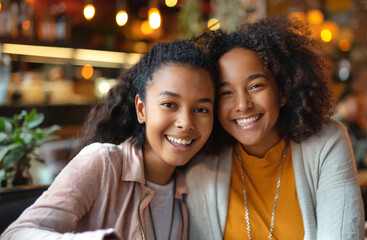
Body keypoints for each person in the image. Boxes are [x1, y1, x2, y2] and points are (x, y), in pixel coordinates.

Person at [1, 40, 217, 240]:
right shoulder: (103, 163)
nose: (186, 123)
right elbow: (15, 234)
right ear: (142, 109)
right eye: (169, 104)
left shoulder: (192, 186)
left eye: (201, 109)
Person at [185, 18, 364, 240]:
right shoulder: (201, 163)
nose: (242, 105)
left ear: (283, 91)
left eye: (256, 86)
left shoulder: (327, 142)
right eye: (226, 93)